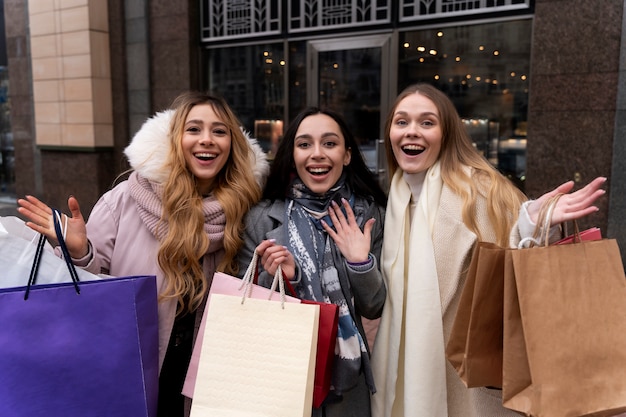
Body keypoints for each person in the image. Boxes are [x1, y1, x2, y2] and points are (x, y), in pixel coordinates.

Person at [17, 91, 269, 417]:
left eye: (219, 131)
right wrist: (80, 252)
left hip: (207, 374)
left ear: (232, 144)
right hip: (131, 364)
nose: (207, 140)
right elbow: (86, 293)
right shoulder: (126, 198)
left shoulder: (245, 210)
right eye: (193, 129)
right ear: (175, 140)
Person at [370, 83, 607, 417]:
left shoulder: (479, 189)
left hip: (470, 378)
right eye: (401, 121)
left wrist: (531, 224)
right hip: (412, 371)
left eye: (427, 122)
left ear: (446, 133)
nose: (412, 132)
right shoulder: (396, 199)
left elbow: (515, 271)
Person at [237, 107, 388, 417]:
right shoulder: (261, 219)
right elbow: (245, 304)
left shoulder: (368, 215)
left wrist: (360, 262)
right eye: (305, 144)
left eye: (329, 143)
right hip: (282, 375)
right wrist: (284, 279)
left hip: (348, 384)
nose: (317, 154)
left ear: (347, 155)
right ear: (292, 155)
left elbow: (374, 306)